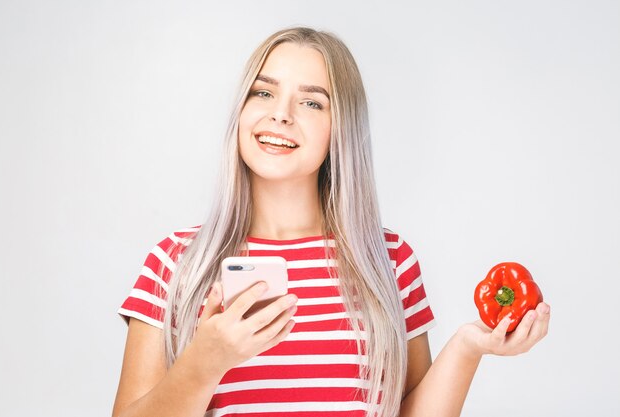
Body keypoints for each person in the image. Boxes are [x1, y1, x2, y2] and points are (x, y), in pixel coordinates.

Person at [112, 27, 550, 417]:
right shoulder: (175, 263)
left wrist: (469, 347)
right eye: (263, 93)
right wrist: (203, 363)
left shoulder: (388, 261)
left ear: (340, 128)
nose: (280, 114)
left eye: (310, 102)